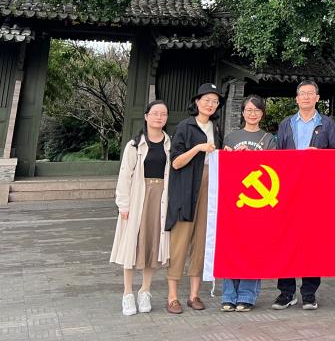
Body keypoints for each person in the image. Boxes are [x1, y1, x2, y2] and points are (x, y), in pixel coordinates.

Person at [272, 79, 335, 310]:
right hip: (288, 190)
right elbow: (277, 156)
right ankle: (286, 292)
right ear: (296, 98)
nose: (306, 97)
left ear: (317, 98)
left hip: (316, 190)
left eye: (311, 93)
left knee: (312, 240)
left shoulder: (327, 124)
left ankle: (309, 293)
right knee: (286, 239)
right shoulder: (286, 124)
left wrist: (319, 155)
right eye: (303, 93)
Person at [165, 82, 224, 314]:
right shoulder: (185, 126)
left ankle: (194, 295)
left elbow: (218, 157)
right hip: (186, 189)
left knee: (202, 242)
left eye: (215, 101)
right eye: (206, 100)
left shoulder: (216, 128)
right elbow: (176, 162)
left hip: (210, 189)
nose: (210, 104)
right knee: (180, 243)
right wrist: (198, 148)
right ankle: (172, 297)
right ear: (197, 102)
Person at [111, 100, 171, 317]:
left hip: (160, 198)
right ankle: (127, 293)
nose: (159, 117)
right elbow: (124, 176)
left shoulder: (170, 144)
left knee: (153, 243)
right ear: (146, 116)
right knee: (131, 245)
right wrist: (123, 204)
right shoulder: (134, 145)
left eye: (163, 114)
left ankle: (145, 290)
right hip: (138, 198)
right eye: (155, 113)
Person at [220, 94, 277, 312]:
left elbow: (274, 168)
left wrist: (252, 156)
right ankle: (228, 294)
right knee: (231, 246)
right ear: (242, 113)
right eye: (249, 110)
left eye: (257, 110)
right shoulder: (231, 138)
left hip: (259, 203)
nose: (252, 114)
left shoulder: (269, 139)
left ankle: (247, 295)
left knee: (253, 248)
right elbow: (224, 169)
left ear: (262, 113)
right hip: (234, 202)